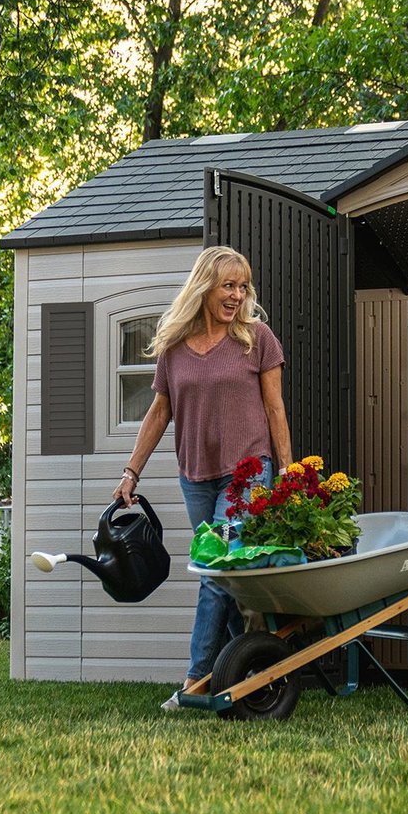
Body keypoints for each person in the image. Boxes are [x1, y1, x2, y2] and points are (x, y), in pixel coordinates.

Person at [112, 246, 292, 709]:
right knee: (226, 580)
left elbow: (275, 409)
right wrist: (131, 472)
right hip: (195, 477)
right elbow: (159, 412)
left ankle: (195, 680)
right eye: (228, 286)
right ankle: (252, 672)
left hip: (247, 475)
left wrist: (287, 472)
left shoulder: (256, 338)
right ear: (204, 287)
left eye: (243, 287)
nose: (237, 295)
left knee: (214, 570)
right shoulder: (174, 347)